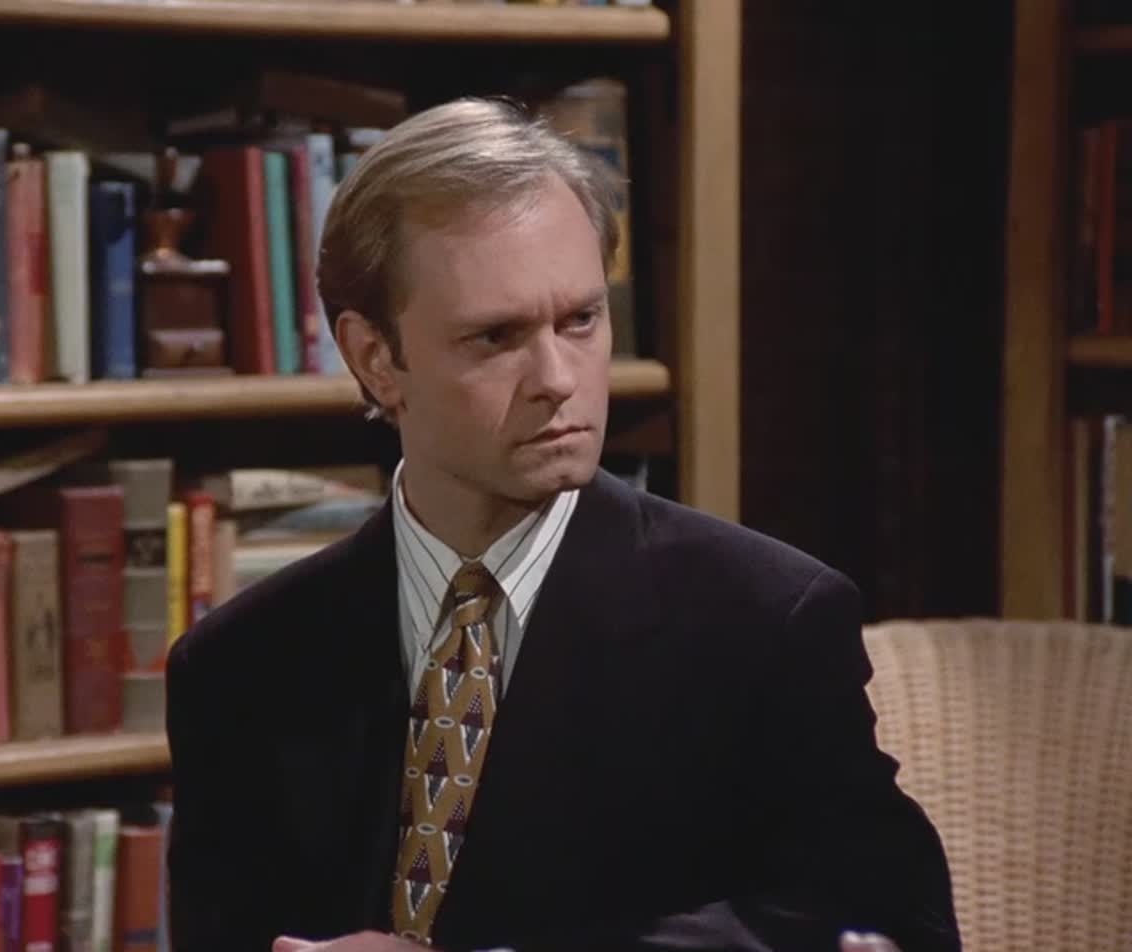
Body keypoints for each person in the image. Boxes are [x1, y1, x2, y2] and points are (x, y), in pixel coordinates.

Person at [165, 97, 960, 952]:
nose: (556, 377)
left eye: (581, 320)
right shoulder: (240, 666)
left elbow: (887, 929)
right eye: (494, 337)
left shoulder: (765, 623)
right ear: (375, 359)